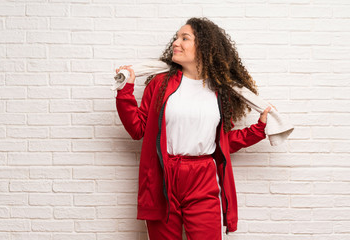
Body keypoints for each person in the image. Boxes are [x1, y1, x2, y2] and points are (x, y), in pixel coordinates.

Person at [115, 17, 272, 240]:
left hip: (203, 177)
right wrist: (125, 92)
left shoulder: (221, 91)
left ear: (205, 47)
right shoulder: (159, 84)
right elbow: (137, 128)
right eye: (176, 38)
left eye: (184, 38)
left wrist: (258, 130)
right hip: (162, 175)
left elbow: (224, 142)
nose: (175, 43)